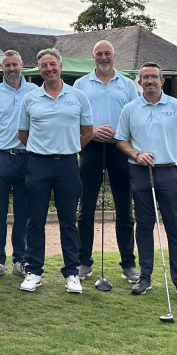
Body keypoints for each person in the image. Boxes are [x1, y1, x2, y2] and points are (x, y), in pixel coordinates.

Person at [18, 48, 93, 293]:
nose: (48, 69)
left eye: (52, 64)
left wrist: (69, 148)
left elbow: (88, 132)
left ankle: (71, 272)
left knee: (68, 221)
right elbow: (23, 134)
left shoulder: (78, 96)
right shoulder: (30, 98)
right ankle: (33, 271)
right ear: (40, 70)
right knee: (35, 220)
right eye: (44, 65)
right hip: (38, 163)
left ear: (60, 66)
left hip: (67, 164)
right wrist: (43, 149)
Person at [74, 40, 139, 283]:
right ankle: (84, 262)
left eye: (107, 53)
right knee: (86, 207)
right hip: (90, 147)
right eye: (99, 53)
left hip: (119, 148)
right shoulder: (81, 84)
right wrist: (92, 132)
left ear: (114, 56)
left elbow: (134, 116)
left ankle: (128, 264)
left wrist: (121, 134)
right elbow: (74, 118)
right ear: (93, 56)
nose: (103, 57)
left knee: (124, 208)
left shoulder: (127, 84)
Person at [115, 62, 177, 295]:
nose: (150, 81)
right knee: (144, 226)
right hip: (141, 172)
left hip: (170, 171)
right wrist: (136, 154)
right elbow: (121, 140)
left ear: (162, 80)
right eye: (145, 77)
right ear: (139, 82)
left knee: (174, 227)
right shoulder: (130, 108)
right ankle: (145, 276)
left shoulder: (174, 105)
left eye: (154, 77)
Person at [0, 50, 38, 279]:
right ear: (1, 68)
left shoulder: (34, 91)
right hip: (1, 157)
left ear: (22, 65)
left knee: (23, 213)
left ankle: (20, 260)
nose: (11, 69)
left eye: (14, 64)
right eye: (7, 65)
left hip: (27, 158)